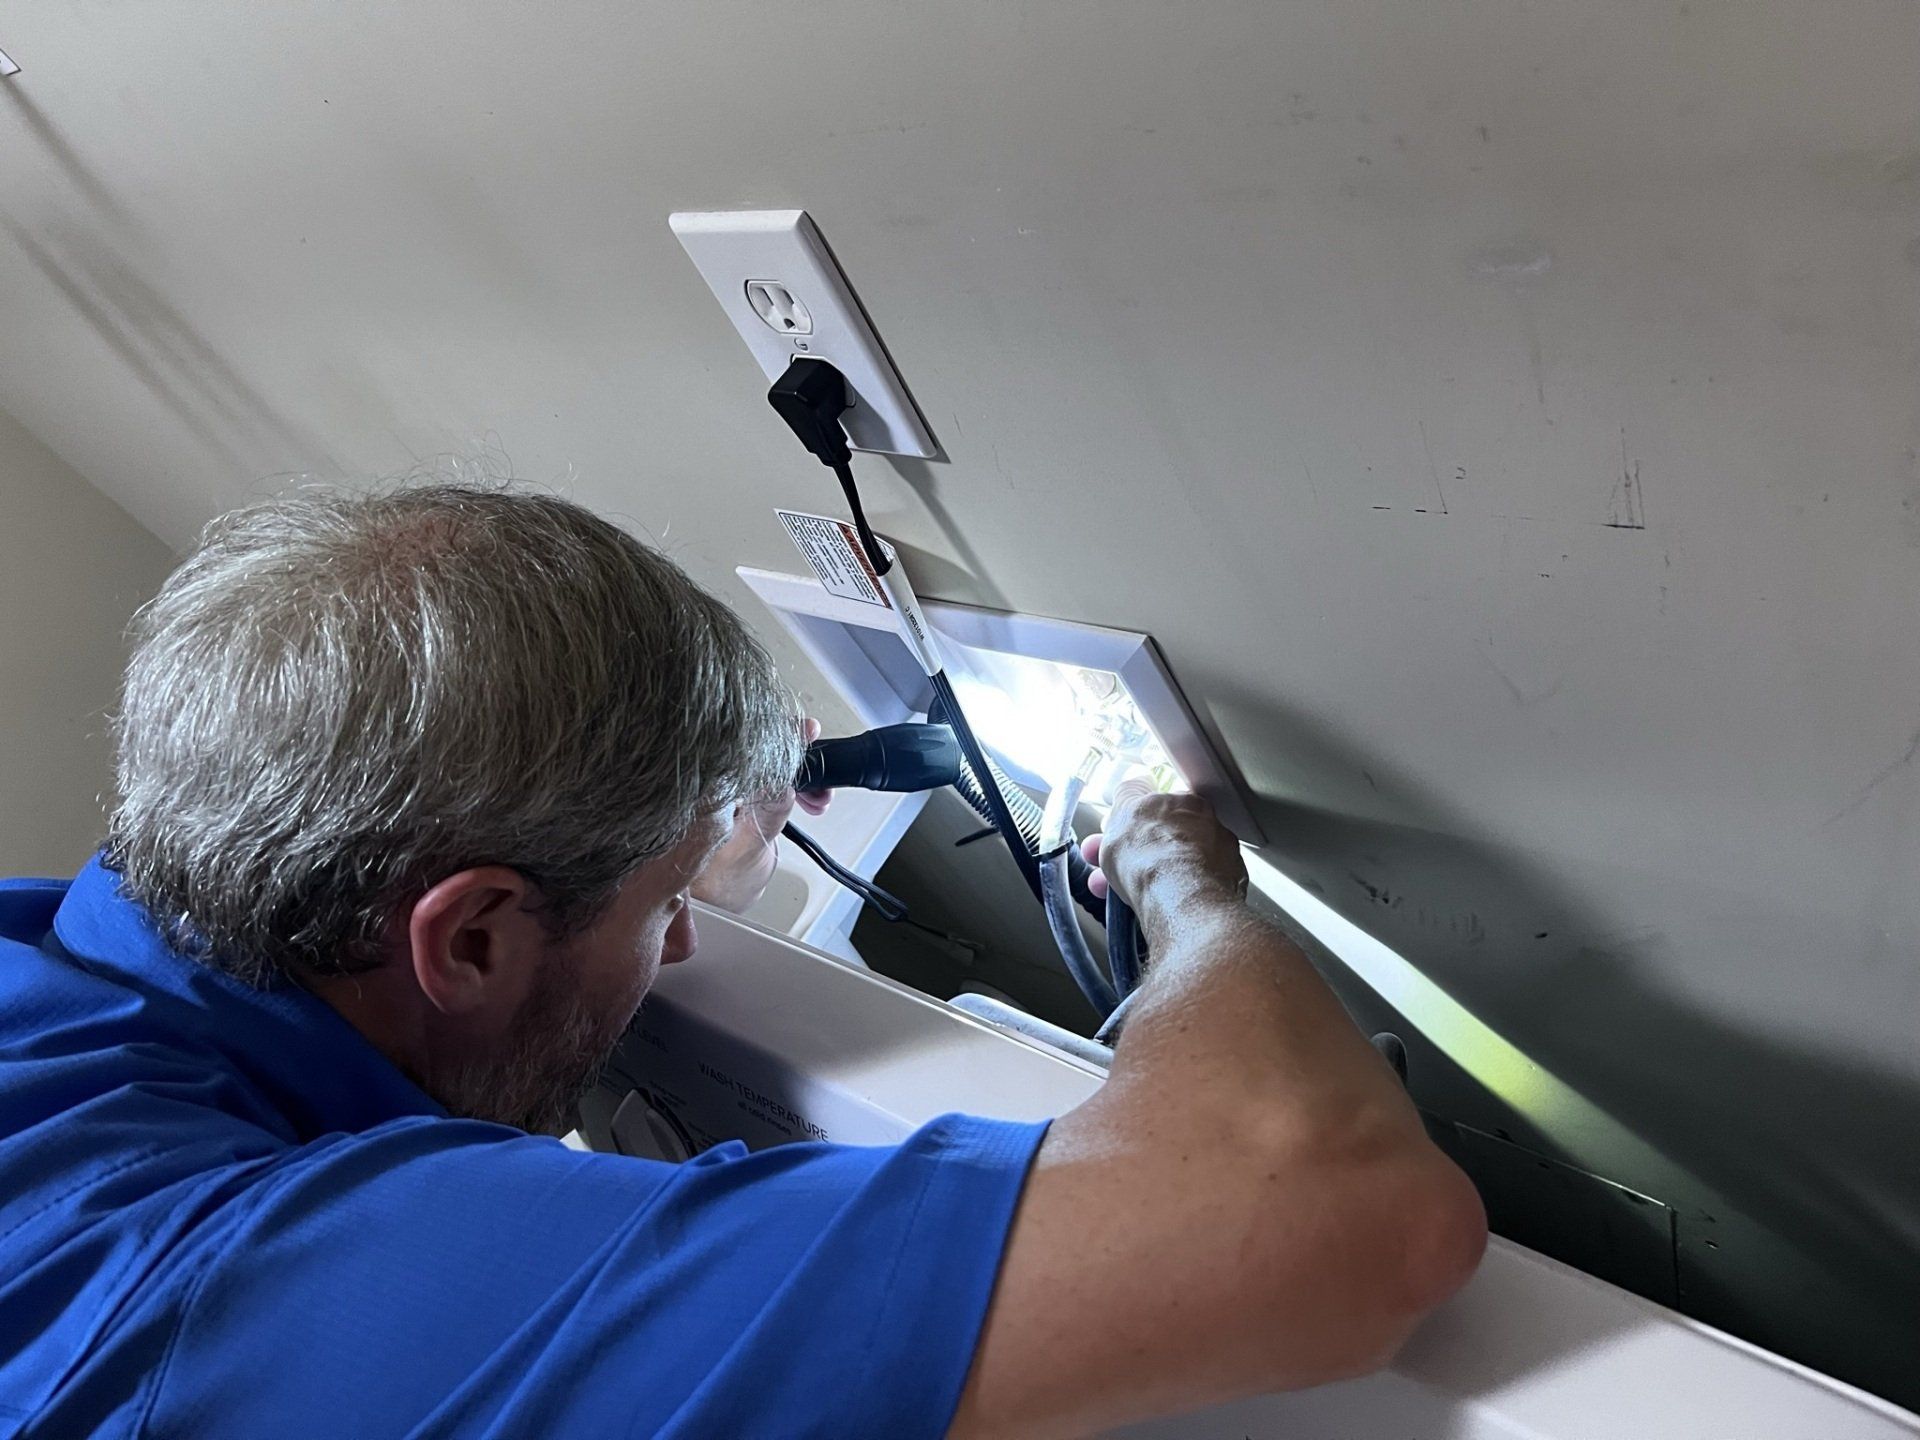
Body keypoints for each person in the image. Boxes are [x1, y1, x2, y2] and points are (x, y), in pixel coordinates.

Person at [0, 484, 1484, 1438]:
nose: (685, 947)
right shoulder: (263, 1295)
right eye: (665, 911)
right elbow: (1344, 1218)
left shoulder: (62, 969)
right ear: (471, 937)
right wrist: (1183, 889)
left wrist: (655, 844)